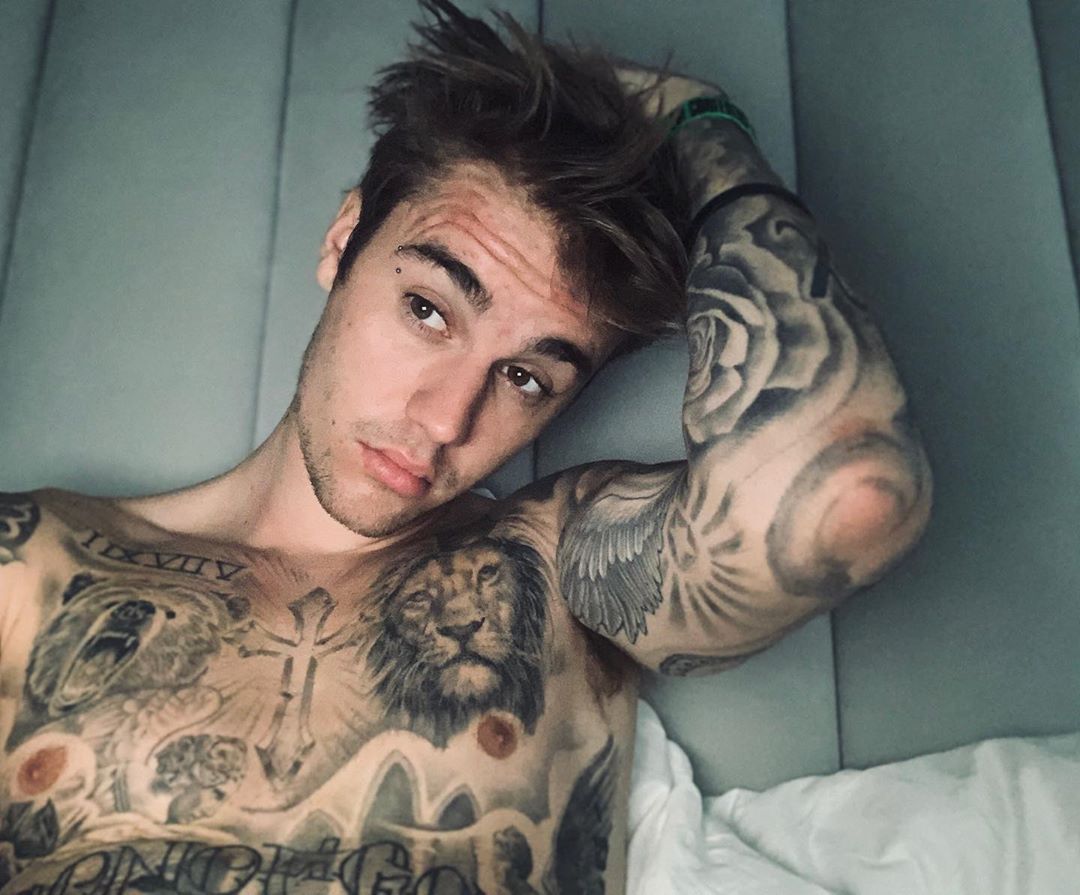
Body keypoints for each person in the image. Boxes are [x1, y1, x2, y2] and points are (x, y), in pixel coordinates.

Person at [0, 1, 932, 892]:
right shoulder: (34, 564)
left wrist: (698, 122)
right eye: (428, 309)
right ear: (344, 240)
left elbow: (846, 492)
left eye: (526, 377)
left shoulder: (551, 571)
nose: (446, 419)